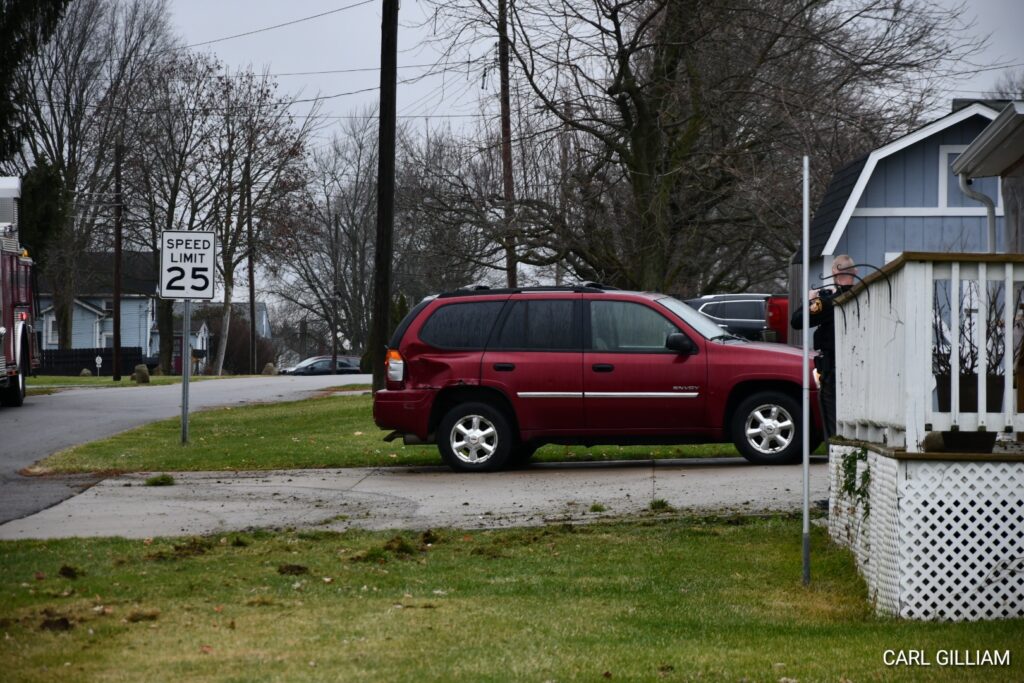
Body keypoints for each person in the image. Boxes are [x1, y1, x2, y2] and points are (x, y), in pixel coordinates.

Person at [791, 254, 857, 439]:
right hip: (861, 369)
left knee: (832, 418)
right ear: (856, 271)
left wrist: (810, 301)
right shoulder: (864, 296)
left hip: (835, 369)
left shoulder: (829, 304)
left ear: (834, 272)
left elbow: (797, 321)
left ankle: (836, 457)